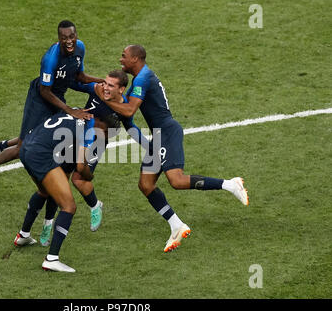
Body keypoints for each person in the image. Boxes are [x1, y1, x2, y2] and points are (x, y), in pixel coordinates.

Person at [94, 45, 249, 253]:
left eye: (124, 56)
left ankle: (230, 184)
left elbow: (129, 109)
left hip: (167, 132)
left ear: (136, 59)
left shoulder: (143, 78)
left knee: (176, 180)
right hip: (158, 137)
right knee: (146, 184)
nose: (121, 59)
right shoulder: (137, 83)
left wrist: (107, 101)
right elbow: (129, 121)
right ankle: (176, 226)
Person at [0, 20, 104, 194]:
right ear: (59, 38)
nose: (69, 40)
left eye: (71, 36)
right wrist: (69, 110)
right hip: (40, 100)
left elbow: (79, 76)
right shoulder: (51, 58)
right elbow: (44, 91)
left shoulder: (80, 48)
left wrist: (100, 81)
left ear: (76, 35)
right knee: (24, 147)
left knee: (40, 135)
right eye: (64, 37)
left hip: (57, 98)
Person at [35, 69, 149, 245]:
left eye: (111, 85)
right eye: (105, 83)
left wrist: (150, 147)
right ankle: (47, 224)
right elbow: (74, 83)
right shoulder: (96, 89)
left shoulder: (124, 107)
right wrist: (62, 75)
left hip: (97, 143)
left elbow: (131, 127)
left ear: (121, 89)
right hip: (75, 136)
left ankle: (95, 206)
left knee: (79, 179)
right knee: (58, 181)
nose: (105, 87)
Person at [18, 111, 121, 272]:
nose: (103, 136)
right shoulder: (89, 128)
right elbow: (80, 167)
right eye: (105, 131)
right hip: (40, 155)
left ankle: (23, 235)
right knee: (69, 207)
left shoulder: (79, 112)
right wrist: (89, 175)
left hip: (26, 148)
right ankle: (51, 259)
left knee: (44, 191)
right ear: (99, 120)